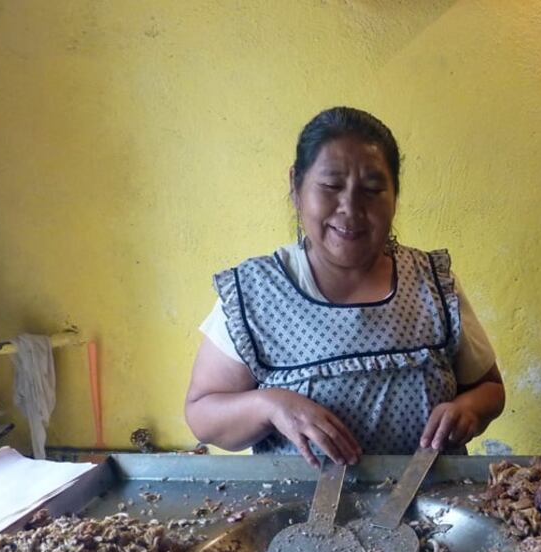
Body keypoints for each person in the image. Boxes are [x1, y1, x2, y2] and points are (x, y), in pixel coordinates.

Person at [185, 107, 504, 467]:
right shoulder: (256, 293)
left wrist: (467, 410)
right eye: (331, 186)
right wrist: (269, 405)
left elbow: (490, 389)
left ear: (394, 197)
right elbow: (202, 414)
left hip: (433, 512)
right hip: (301, 516)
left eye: (372, 189)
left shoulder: (431, 283)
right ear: (296, 186)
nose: (350, 209)